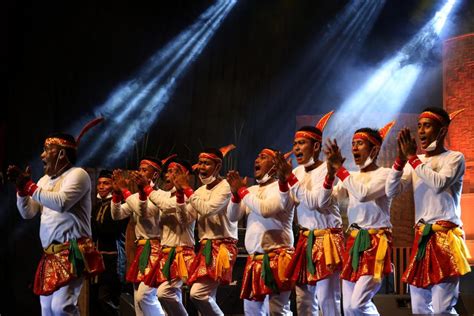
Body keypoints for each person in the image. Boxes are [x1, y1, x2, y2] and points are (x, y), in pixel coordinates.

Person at [7, 132, 104, 315]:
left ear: (61, 154)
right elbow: (28, 213)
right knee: (46, 309)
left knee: (61, 308)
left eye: (46, 150)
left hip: (73, 251)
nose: (42, 155)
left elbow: (61, 203)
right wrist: (21, 191)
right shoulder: (43, 181)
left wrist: (29, 187)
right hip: (50, 255)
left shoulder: (78, 174)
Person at [385, 107, 470, 314]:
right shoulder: (417, 162)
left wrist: (412, 159)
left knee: (442, 309)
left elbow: (438, 183)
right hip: (421, 239)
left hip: (445, 239)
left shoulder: (455, 158)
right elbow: (390, 190)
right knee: (420, 308)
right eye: (419, 126)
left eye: (427, 126)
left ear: (441, 131)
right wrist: (400, 161)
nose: (421, 131)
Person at [322, 122, 395, 316]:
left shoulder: (385, 174)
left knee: (357, 305)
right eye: (353, 143)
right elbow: (328, 199)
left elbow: (363, 194)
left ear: (375, 148)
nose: (354, 147)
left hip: (375, 242)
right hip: (353, 243)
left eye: (360, 143)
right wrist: (330, 175)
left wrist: (340, 170)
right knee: (347, 308)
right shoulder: (351, 177)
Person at [275, 111, 344, 315]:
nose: (296, 148)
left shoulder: (327, 169)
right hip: (306, 240)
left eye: (302, 143)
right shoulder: (295, 173)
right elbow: (284, 204)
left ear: (316, 146)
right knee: (304, 297)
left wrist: (290, 179)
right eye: (295, 143)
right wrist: (281, 180)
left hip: (327, 239)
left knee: (326, 297)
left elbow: (316, 202)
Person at [227, 148, 295, 315]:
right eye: (257, 156)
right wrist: (236, 195)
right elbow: (232, 216)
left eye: (263, 157)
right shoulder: (251, 191)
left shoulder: (284, 189)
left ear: (274, 165)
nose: (257, 159)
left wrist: (242, 191)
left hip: (278, 258)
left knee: (277, 310)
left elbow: (265, 209)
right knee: (252, 311)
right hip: (255, 260)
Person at [173, 145, 238, 316]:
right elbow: (186, 220)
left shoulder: (225, 187)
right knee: (207, 296)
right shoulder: (199, 191)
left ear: (217, 166)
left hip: (223, 247)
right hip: (205, 247)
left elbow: (208, 210)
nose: (201, 167)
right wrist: (180, 196)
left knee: (198, 293)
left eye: (206, 163)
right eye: (200, 163)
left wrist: (187, 190)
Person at [110, 157, 165, 316]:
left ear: (155, 175)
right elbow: (117, 214)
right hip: (140, 249)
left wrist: (125, 191)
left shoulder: (160, 196)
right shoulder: (135, 197)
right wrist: (116, 193)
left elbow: (143, 211)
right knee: (138, 302)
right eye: (139, 169)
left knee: (145, 297)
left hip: (155, 249)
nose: (139, 173)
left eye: (144, 170)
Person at [141, 158, 196, 316]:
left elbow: (165, 205)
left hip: (182, 253)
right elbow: (145, 212)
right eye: (169, 171)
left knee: (164, 293)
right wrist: (140, 191)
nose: (169, 174)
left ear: (185, 175)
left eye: (175, 171)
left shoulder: (190, 197)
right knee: (164, 295)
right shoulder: (164, 195)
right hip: (166, 253)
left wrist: (147, 188)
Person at [90, 169, 128, 315]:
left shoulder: (119, 204)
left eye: (105, 183)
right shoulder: (97, 205)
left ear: (113, 184)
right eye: (99, 183)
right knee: (98, 300)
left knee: (107, 299)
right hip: (99, 258)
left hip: (114, 257)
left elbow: (112, 228)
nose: (101, 186)